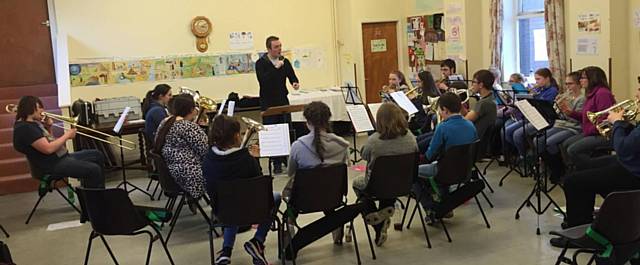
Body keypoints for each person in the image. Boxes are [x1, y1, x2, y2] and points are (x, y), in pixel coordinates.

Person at [550, 87, 640, 248]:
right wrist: (624, 125)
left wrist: (618, 123)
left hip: (633, 171)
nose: (636, 94)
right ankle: (583, 219)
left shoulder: (602, 93)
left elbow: (623, 149)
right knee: (583, 166)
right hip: (631, 163)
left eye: (639, 90)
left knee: (573, 181)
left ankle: (581, 234)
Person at [202, 115, 281, 265]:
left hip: (222, 211)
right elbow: (260, 187)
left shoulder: (207, 160)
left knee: (232, 201)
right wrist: (255, 158)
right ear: (236, 136)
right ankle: (257, 241)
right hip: (252, 210)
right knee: (275, 197)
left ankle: (226, 252)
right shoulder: (246, 159)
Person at [353, 103, 418, 247]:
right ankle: (385, 212)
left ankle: (375, 220)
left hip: (376, 185)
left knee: (357, 184)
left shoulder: (375, 140)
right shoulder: (410, 137)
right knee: (392, 179)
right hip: (403, 184)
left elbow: (364, 155)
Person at [284, 101, 349, 244]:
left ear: (307, 121)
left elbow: (291, 172)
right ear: (328, 120)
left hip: (304, 199)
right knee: (326, 189)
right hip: (333, 196)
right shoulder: (342, 145)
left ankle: (289, 224)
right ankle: (335, 223)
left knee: (289, 197)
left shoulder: (298, 145)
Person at [12, 96, 105, 189]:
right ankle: (94, 201)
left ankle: (95, 194)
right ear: (31, 108)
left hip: (59, 158)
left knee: (97, 155)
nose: (42, 110)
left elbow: (50, 141)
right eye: (39, 107)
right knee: (94, 170)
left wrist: (48, 127)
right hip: (51, 165)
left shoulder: (32, 124)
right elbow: (48, 149)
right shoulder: (25, 128)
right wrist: (67, 135)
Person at [412, 92, 478, 219]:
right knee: (444, 164)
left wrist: (419, 162)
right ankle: (444, 202)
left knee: (413, 173)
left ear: (445, 110)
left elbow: (430, 155)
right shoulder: (470, 125)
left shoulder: (442, 127)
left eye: (440, 110)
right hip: (466, 171)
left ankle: (430, 208)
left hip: (444, 172)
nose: (440, 113)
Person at [255, 36, 299, 174]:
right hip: (268, 103)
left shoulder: (284, 61)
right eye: (276, 47)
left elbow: (291, 75)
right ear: (268, 49)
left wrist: (295, 82)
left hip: (282, 100)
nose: (279, 49)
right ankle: (276, 162)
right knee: (272, 133)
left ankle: (287, 159)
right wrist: (275, 68)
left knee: (286, 130)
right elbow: (264, 81)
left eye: (280, 46)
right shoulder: (261, 63)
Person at [559, 66, 615, 172]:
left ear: (593, 79)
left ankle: (591, 171)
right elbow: (587, 117)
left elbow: (605, 120)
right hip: (591, 132)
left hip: (602, 134)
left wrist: (589, 131)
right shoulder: (591, 94)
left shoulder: (602, 93)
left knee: (573, 150)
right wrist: (571, 113)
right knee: (565, 144)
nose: (580, 80)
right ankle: (574, 171)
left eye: (583, 78)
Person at [155, 95, 208, 199]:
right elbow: (206, 151)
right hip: (190, 176)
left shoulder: (165, 122)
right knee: (224, 170)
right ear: (191, 110)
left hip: (170, 173)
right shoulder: (187, 126)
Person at [537, 72, 585, 182]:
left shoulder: (582, 99)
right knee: (538, 140)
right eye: (566, 84)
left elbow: (577, 120)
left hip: (574, 127)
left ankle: (559, 169)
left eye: (570, 84)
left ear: (579, 84)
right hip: (561, 124)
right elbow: (557, 116)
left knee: (549, 142)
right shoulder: (567, 96)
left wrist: (566, 110)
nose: (567, 87)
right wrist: (556, 107)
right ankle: (553, 167)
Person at [504, 68, 559, 157]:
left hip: (543, 119)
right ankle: (524, 154)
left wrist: (533, 98)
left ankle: (526, 158)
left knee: (517, 135)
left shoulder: (552, 91)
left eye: (538, 79)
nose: (536, 82)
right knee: (507, 131)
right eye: (535, 79)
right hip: (532, 116)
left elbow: (544, 107)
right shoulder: (539, 89)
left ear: (547, 78)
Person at [463, 69, 498, 140]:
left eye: (474, 82)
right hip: (480, 137)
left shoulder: (483, 103)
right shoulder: (491, 97)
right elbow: (468, 116)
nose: (472, 85)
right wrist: (459, 104)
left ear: (481, 85)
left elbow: (464, 121)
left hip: (473, 138)